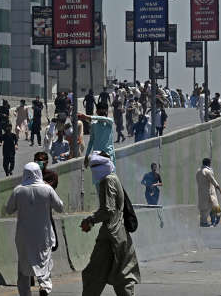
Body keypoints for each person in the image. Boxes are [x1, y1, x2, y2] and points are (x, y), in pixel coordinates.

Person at [80, 153, 140, 296]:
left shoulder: (107, 181)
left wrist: (90, 220)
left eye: (95, 167)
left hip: (109, 237)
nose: (93, 171)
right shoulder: (114, 178)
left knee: (93, 275)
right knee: (123, 276)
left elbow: (108, 210)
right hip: (121, 235)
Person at [6, 162, 64, 296]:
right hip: (43, 235)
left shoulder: (18, 190)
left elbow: (9, 209)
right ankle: (44, 286)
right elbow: (60, 207)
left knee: (23, 267)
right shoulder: (47, 189)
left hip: (24, 237)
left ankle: (25, 293)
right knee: (44, 262)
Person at [80, 102, 116, 168]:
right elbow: (91, 141)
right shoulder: (94, 125)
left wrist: (88, 117)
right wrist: (86, 156)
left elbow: (103, 118)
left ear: (106, 111)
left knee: (110, 177)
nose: (103, 113)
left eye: (104, 110)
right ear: (97, 112)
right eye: (100, 111)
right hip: (97, 157)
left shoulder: (109, 122)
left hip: (109, 156)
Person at [196, 158, 221, 227]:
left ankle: (204, 222)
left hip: (202, 192)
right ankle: (216, 218)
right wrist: (219, 188)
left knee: (204, 208)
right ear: (208, 163)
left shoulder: (198, 171)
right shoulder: (207, 171)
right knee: (215, 205)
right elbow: (213, 180)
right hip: (210, 192)